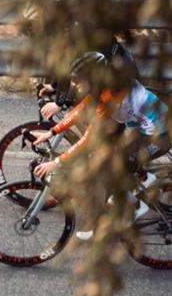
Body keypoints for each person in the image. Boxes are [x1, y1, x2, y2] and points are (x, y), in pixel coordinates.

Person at [31, 52, 169, 238]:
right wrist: (51, 132)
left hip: (160, 135)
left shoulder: (111, 95)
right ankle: (138, 181)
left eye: (79, 81)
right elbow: (81, 109)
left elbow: (88, 138)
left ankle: (135, 205)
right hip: (143, 130)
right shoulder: (103, 86)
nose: (76, 86)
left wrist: (56, 162)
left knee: (115, 162)